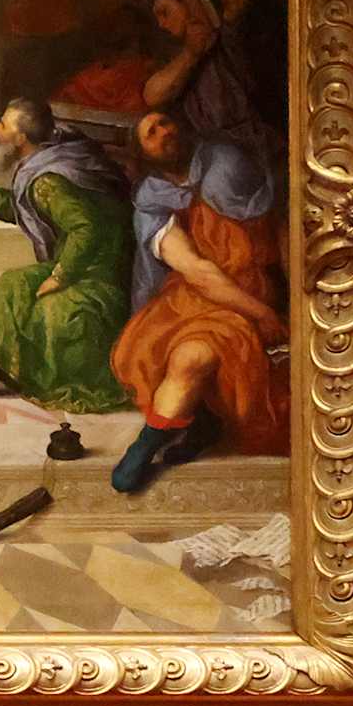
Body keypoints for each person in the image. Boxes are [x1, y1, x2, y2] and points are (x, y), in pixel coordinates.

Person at [105, 108, 286, 491]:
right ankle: (199, 421)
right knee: (158, 351)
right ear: (142, 152)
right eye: (151, 132)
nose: (164, 132)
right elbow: (197, 271)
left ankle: (142, 449)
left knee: (192, 357)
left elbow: (277, 228)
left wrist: (264, 309)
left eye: (165, 122)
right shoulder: (153, 196)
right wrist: (262, 314)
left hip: (248, 288)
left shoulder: (226, 164)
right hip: (196, 290)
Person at [0, 98, 133, 409]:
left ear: (21, 138)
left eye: (3, 125)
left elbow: (88, 228)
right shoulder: (45, 162)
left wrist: (60, 277)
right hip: (78, 262)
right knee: (9, 285)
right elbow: (27, 208)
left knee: (54, 310)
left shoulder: (48, 181)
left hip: (99, 272)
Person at [139, 0, 270, 158]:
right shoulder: (180, 54)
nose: (161, 24)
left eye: (165, 11)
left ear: (187, 3)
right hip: (209, 154)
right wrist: (191, 54)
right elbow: (152, 95)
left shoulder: (224, 32)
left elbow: (238, 1)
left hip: (248, 148)